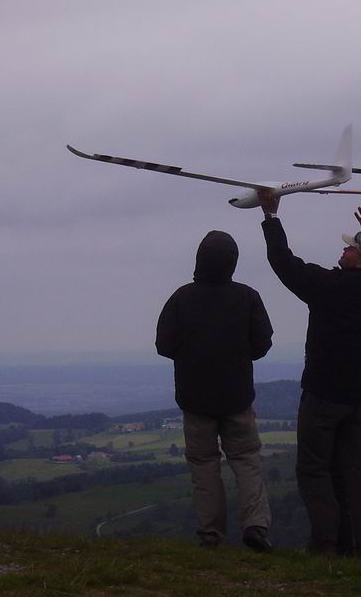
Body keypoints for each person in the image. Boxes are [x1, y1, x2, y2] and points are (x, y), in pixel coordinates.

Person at [258, 195, 361, 560]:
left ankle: (327, 545)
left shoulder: (329, 286)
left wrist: (271, 215)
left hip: (323, 396)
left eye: (352, 248)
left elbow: (283, 262)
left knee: (314, 469)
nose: (344, 250)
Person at [156, 230, 275, 552]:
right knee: (246, 459)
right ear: (232, 262)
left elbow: (164, 345)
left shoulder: (182, 298)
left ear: (200, 260)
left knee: (204, 464)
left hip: (195, 398)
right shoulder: (247, 297)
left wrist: (191, 355)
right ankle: (256, 526)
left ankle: (210, 534)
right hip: (237, 396)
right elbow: (262, 343)